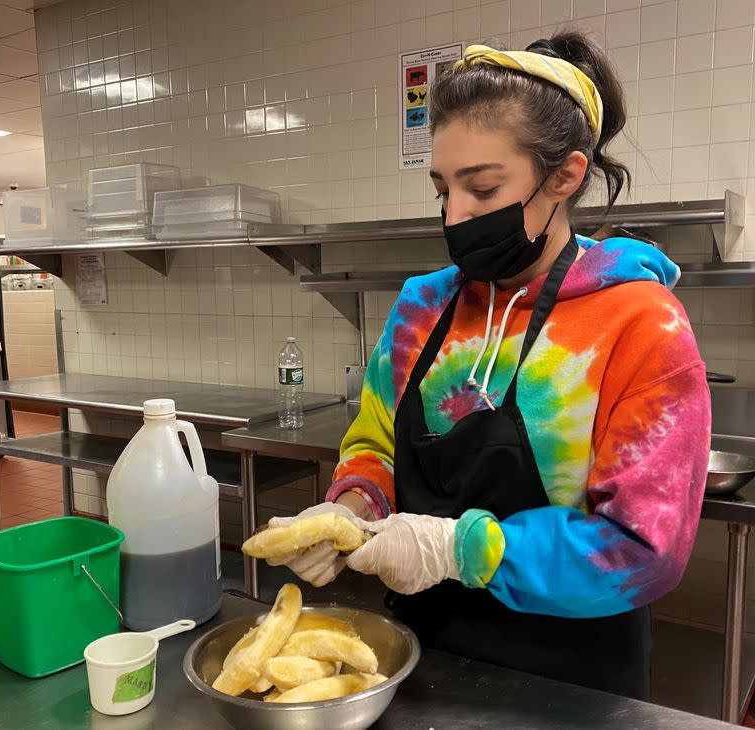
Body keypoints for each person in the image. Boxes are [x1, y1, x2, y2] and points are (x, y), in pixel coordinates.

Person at [269, 32, 711, 700]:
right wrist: (352, 509)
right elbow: (374, 445)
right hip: (422, 656)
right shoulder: (423, 308)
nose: (455, 214)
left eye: (481, 187)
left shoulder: (640, 324)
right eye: (442, 188)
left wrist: (457, 550)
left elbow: (642, 551)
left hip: (574, 683)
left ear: (564, 175)